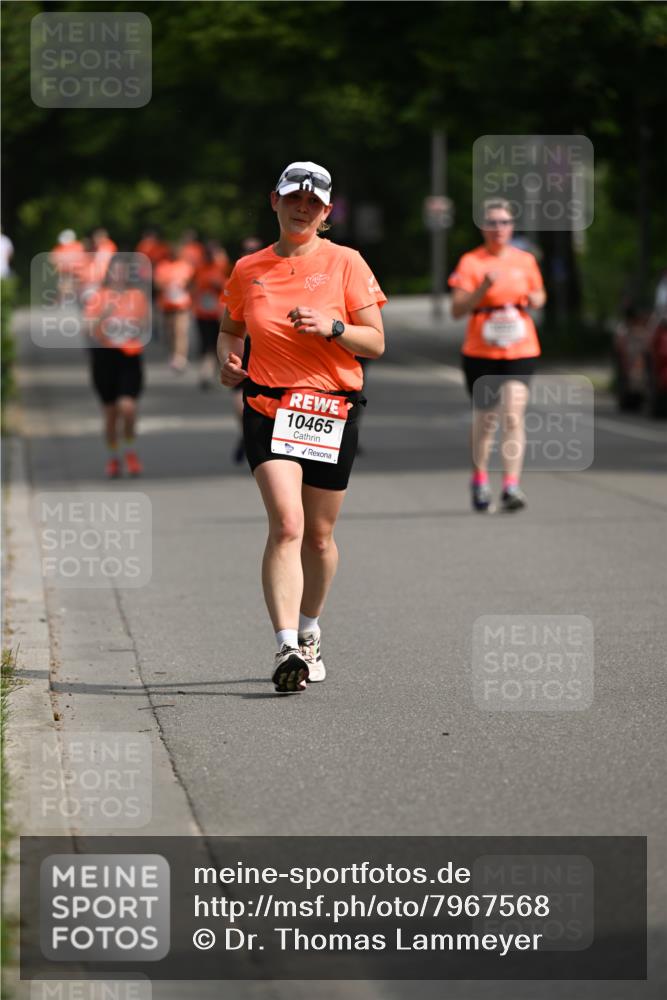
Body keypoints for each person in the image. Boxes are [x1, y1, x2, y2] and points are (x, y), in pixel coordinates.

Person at [218, 161, 386, 693]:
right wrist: (227, 362)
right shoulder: (249, 268)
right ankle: (287, 645)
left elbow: (376, 342)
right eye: (294, 198)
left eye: (314, 203)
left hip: (330, 412)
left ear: (327, 211)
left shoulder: (346, 263)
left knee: (318, 536)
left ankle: (311, 631)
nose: (302, 208)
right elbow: (229, 329)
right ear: (275, 200)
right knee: (287, 525)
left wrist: (334, 327)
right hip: (268, 409)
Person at [449, 198, 546, 512]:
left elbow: (540, 294)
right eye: (492, 222)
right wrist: (482, 289)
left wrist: (535, 298)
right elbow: (456, 310)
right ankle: (479, 479)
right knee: (487, 420)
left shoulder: (525, 260)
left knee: (513, 412)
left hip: (521, 347)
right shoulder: (471, 262)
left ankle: (511, 486)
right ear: (482, 227)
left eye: (504, 222)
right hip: (481, 350)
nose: (498, 228)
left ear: (512, 226)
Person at [84, 253, 150, 477]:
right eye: (115, 271)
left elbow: (144, 324)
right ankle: (113, 458)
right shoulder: (98, 296)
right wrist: (107, 312)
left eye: (123, 271)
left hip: (129, 356)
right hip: (105, 358)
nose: (119, 275)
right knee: (111, 413)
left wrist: (132, 326)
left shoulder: (137, 296)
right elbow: (88, 328)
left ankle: (130, 450)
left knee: (128, 408)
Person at [154, 246, 195, 371]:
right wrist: (167, 284)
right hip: (167, 304)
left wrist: (185, 285)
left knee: (180, 331)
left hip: (182, 304)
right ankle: (173, 353)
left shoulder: (186, 266)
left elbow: (193, 283)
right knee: (170, 332)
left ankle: (180, 357)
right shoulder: (162, 266)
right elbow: (157, 284)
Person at [192, 242, 227, 389]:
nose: (208, 257)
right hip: (201, 312)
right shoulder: (199, 269)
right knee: (206, 345)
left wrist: (216, 284)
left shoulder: (220, 268)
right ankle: (206, 373)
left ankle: (213, 372)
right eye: (206, 254)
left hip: (216, 313)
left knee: (215, 344)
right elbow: (192, 286)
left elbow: (226, 286)